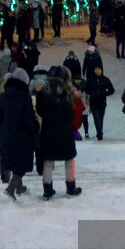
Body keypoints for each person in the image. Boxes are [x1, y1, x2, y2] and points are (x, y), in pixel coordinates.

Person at [0, 67, 38, 200]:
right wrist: (35, 128)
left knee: (14, 161)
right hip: (22, 136)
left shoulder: (3, 96)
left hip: (6, 134)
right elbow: (29, 119)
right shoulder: (24, 97)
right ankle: (10, 189)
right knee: (21, 163)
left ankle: (19, 187)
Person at [36, 67, 80, 199]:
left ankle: (47, 190)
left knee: (48, 160)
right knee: (69, 159)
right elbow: (70, 114)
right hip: (64, 132)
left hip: (48, 131)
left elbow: (39, 111)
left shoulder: (43, 92)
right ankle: (71, 188)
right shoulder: (67, 93)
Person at [82, 65, 115, 141]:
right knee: (96, 119)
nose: (98, 71)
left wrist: (105, 94)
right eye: (96, 69)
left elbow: (112, 90)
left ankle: (99, 133)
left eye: (99, 69)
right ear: (94, 70)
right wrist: (91, 93)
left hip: (102, 103)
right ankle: (100, 134)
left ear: (101, 70)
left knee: (100, 119)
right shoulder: (90, 80)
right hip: (93, 103)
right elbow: (86, 90)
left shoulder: (105, 79)